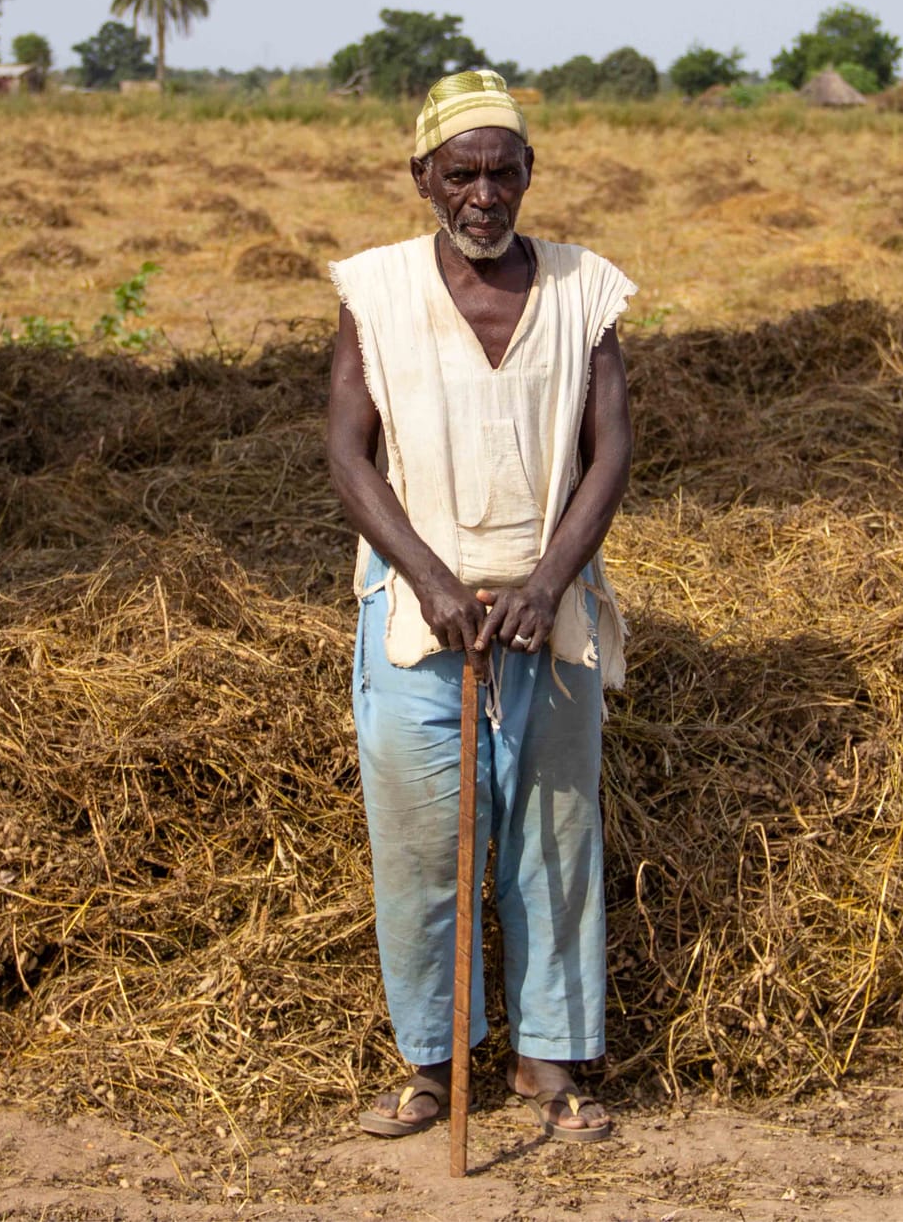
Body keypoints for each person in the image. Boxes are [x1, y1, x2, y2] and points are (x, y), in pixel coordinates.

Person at [325, 70, 635, 1143]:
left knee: (550, 840)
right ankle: (429, 1063)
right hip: (421, 618)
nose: (484, 196)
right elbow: (345, 454)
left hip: (547, 618)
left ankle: (548, 1066)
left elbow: (610, 453)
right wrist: (428, 577)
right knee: (421, 846)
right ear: (422, 178)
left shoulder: (585, 289)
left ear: (529, 176)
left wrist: (548, 581)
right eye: (461, 174)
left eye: (504, 174)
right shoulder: (375, 292)